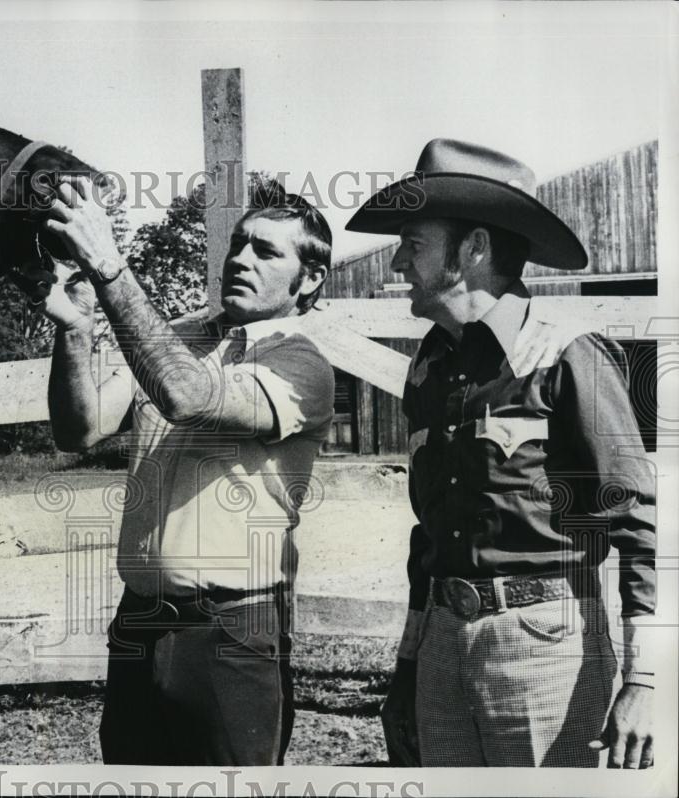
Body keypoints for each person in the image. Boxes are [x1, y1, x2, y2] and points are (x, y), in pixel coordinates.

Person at [346, 139, 656, 768]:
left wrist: (646, 681)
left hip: (546, 642)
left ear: (474, 249)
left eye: (414, 241)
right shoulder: (430, 366)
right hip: (442, 638)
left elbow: (641, 527)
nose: (400, 259)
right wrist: (410, 662)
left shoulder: (566, 352)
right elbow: (425, 535)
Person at [39, 178, 335, 765]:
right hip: (139, 621)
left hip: (230, 629)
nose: (241, 260)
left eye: (267, 251)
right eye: (238, 245)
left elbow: (186, 395)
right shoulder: (179, 336)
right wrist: (74, 333)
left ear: (311, 279)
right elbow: (82, 429)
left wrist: (107, 265)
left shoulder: (301, 363)